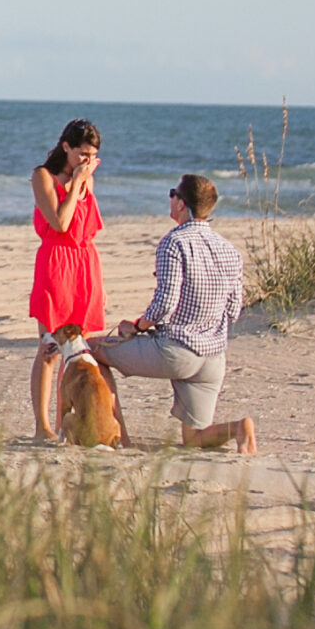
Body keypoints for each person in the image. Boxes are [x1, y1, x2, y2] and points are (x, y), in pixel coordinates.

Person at [86, 173, 257, 451]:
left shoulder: (173, 242)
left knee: (92, 349)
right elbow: (233, 310)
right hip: (213, 357)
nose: (171, 199)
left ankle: (122, 438)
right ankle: (239, 428)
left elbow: (165, 303)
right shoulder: (229, 250)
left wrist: (139, 326)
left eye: (172, 194)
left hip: (177, 351)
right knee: (194, 439)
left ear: (181, 204)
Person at [26, 118, 104, 439]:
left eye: (92, 155)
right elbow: (60, 222)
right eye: (81, 154)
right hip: (56, 263)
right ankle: (41, 426)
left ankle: (63, 425)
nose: (86, 161)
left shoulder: (87, 179)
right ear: (66, 148)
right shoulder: (43, 177)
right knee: (49, 348)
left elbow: (87, 226)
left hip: (84, 263)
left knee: (76, 350)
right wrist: (75, 185)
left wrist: (84, 182)